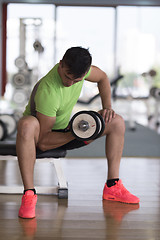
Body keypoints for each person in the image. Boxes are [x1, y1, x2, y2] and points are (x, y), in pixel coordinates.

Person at [17, 47, 139, 219]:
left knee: (116, 122)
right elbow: (43, 142)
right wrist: (77, 133)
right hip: (39, 138)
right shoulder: (48, 90)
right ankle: (29, 194)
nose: (70, 83)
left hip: (67, 130)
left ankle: (113, 186)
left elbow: (103, 78)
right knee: (27, 124)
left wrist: (107, 108)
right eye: (67, 76)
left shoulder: (83, 71)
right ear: (61, 64)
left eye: (77, 80)